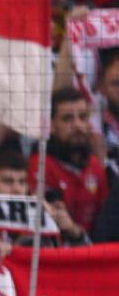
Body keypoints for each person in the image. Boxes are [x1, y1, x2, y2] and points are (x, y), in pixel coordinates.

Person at [31, 88, 107, 241]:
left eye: (83, 117)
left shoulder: (95, 166)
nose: (78, 125)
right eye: (67, 119)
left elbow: (106, 222)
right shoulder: (40, 165)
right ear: (51, 125)